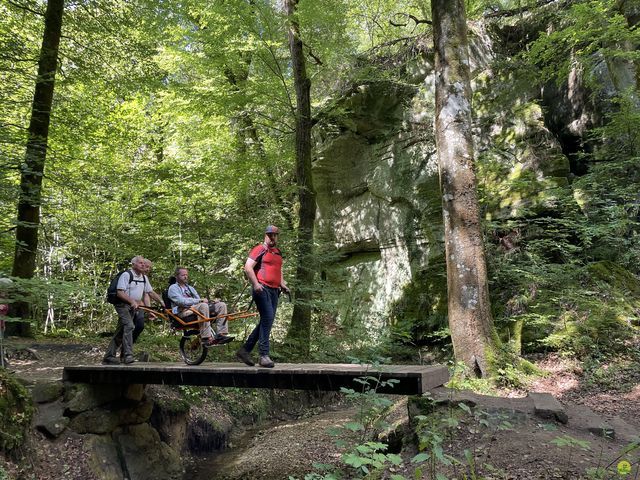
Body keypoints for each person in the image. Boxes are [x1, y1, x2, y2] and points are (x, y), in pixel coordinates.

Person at [236, 225, 289, 368]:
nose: (272, 237)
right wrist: (255, 284)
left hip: (274, 291)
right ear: (265, 235)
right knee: (267, 318)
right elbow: (248, 267)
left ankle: (245, 350)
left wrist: (282, 284)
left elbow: (279, 270)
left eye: (275, 235)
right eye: (270, 235)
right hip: (262, 289)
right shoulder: (260, 249)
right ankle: (263, 355)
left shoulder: (277, 252)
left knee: (267, 321)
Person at [103, 256, 163, 365]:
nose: (143, 265)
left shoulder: (144, 278)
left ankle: (108, 356)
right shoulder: (127, 275)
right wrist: (132, 301)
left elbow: (150, 293)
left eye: (143, 264)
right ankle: (127, 355)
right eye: (140, 263)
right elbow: (120, 292)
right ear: (133, 264)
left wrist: (162, 302)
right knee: (130, 326)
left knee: (121, 331)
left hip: (133, 307)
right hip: (122, 305)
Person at [167, 267, 234, 346]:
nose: (185, 277)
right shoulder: (173, 288)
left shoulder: (190, 288)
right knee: (203, 306)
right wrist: (199, 301)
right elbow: (181, 301)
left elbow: (199, 300)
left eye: (186, 275)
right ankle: (206, 337)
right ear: (177, 276)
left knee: (221, 305)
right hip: (183, 311)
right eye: (183, 275)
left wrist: (211, 302)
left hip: (195, 308)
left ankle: (221, 335)